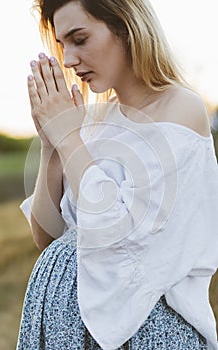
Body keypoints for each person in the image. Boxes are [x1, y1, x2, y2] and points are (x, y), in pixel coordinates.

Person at [16, 0, 218, 349]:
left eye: (79, 39)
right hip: (64, 332)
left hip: (140, 335)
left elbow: (123, 239)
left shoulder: (181, 107)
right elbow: (47, 236)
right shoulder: (93, 120)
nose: (68, 60)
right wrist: (52, 145)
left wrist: (69, 138)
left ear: (126, 28)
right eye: (63, 45)